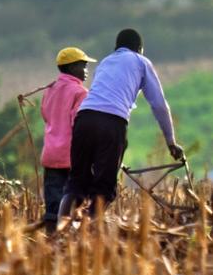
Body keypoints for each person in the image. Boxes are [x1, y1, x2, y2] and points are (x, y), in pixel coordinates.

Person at [58, 28, 184, 219]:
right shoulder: (141, 61)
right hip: (111, 122)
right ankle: (92, 230)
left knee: (76, 182)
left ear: (117, 47)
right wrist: (171, 142)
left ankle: (59, 232)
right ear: (139, 48)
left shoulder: (105, 62)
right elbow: (158, 105)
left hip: (84, 119)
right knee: (104, 187)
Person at [38, 46, 97, 231]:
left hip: (50, 154)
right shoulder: (80, 93)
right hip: (72, 157)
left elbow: (46, 115)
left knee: (53, 205)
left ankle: (50, 239)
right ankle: (69, 244)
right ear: (72, 68)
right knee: (76, 204)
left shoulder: (50, 89)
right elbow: (79, 125)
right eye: (84, 66)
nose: (87, 71)